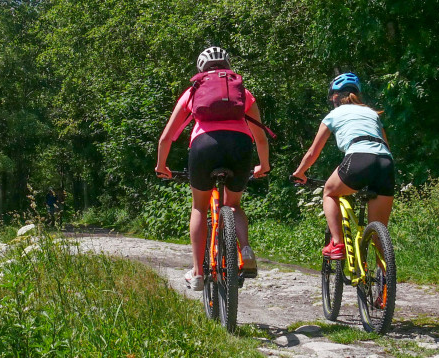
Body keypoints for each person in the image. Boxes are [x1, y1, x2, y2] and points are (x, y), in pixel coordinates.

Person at [155, 46, 271, 291]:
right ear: (228, 66)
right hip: (240, 146)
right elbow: (261, 137)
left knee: (199, 206)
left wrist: (161, 165)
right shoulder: (242, 92)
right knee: (234, 204)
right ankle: (246, 250)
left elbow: (166, 137)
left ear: (201, 69)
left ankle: (197, 272)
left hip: (204, 146)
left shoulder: (193, 90)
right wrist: (264, 165)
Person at [291, 73, 395, 260]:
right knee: (379, 234)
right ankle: (386, 283)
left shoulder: (333, 114)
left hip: (359, 157)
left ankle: (337, 244)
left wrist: (300, 172)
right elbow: (385, 145)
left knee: (330, 192)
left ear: (335, 97)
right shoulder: (372, 113)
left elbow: (313, 152)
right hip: (386, 163)